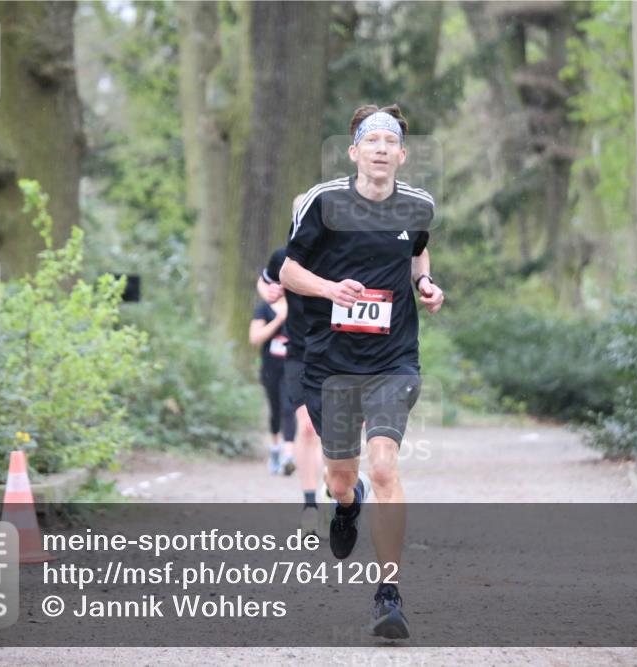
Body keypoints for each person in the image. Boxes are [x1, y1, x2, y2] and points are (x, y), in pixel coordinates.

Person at [280, 104, 445, 639]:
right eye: (369, 139)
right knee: (342, 478)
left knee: (384, 466)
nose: (379, 148)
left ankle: (388, 593)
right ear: (354, 152)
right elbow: (287, 270)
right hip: (330, 362)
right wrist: (330, 289)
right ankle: (346, 506)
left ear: (401, 154)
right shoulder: (322, 202)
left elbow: (419, 255)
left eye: (388, 141)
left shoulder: (418, 206)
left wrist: (425, 285)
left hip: (393, 359)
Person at [257, 195, 327, 536]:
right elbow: (267, 278)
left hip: (342, 352)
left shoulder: (338, 253)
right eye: (299, 211)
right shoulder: (284, 255)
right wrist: (268, 292)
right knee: (307, 427)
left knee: (340, 434)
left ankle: (343, 490)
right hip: (300, 352)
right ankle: (311, 504)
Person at [248, 282, 296, 476]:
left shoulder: (298, 307)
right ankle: (275, 449)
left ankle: (288, 456)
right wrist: (279, 320)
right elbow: (255, 338)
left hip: (292, 367)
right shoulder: (263, 308)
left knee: (288, 408)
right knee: (276, 410)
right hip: (270, 368)